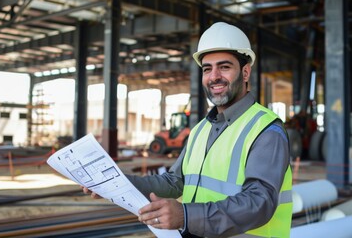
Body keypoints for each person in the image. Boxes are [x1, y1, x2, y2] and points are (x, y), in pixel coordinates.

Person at [83, 22, 292, 237]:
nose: (214, 77)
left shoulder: (265, 130)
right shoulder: (201, 129)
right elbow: (174, 182)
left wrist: (186, 216)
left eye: (225, 67)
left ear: (245, 72)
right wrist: (115, 184)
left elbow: (259, 203)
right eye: (207, 69)